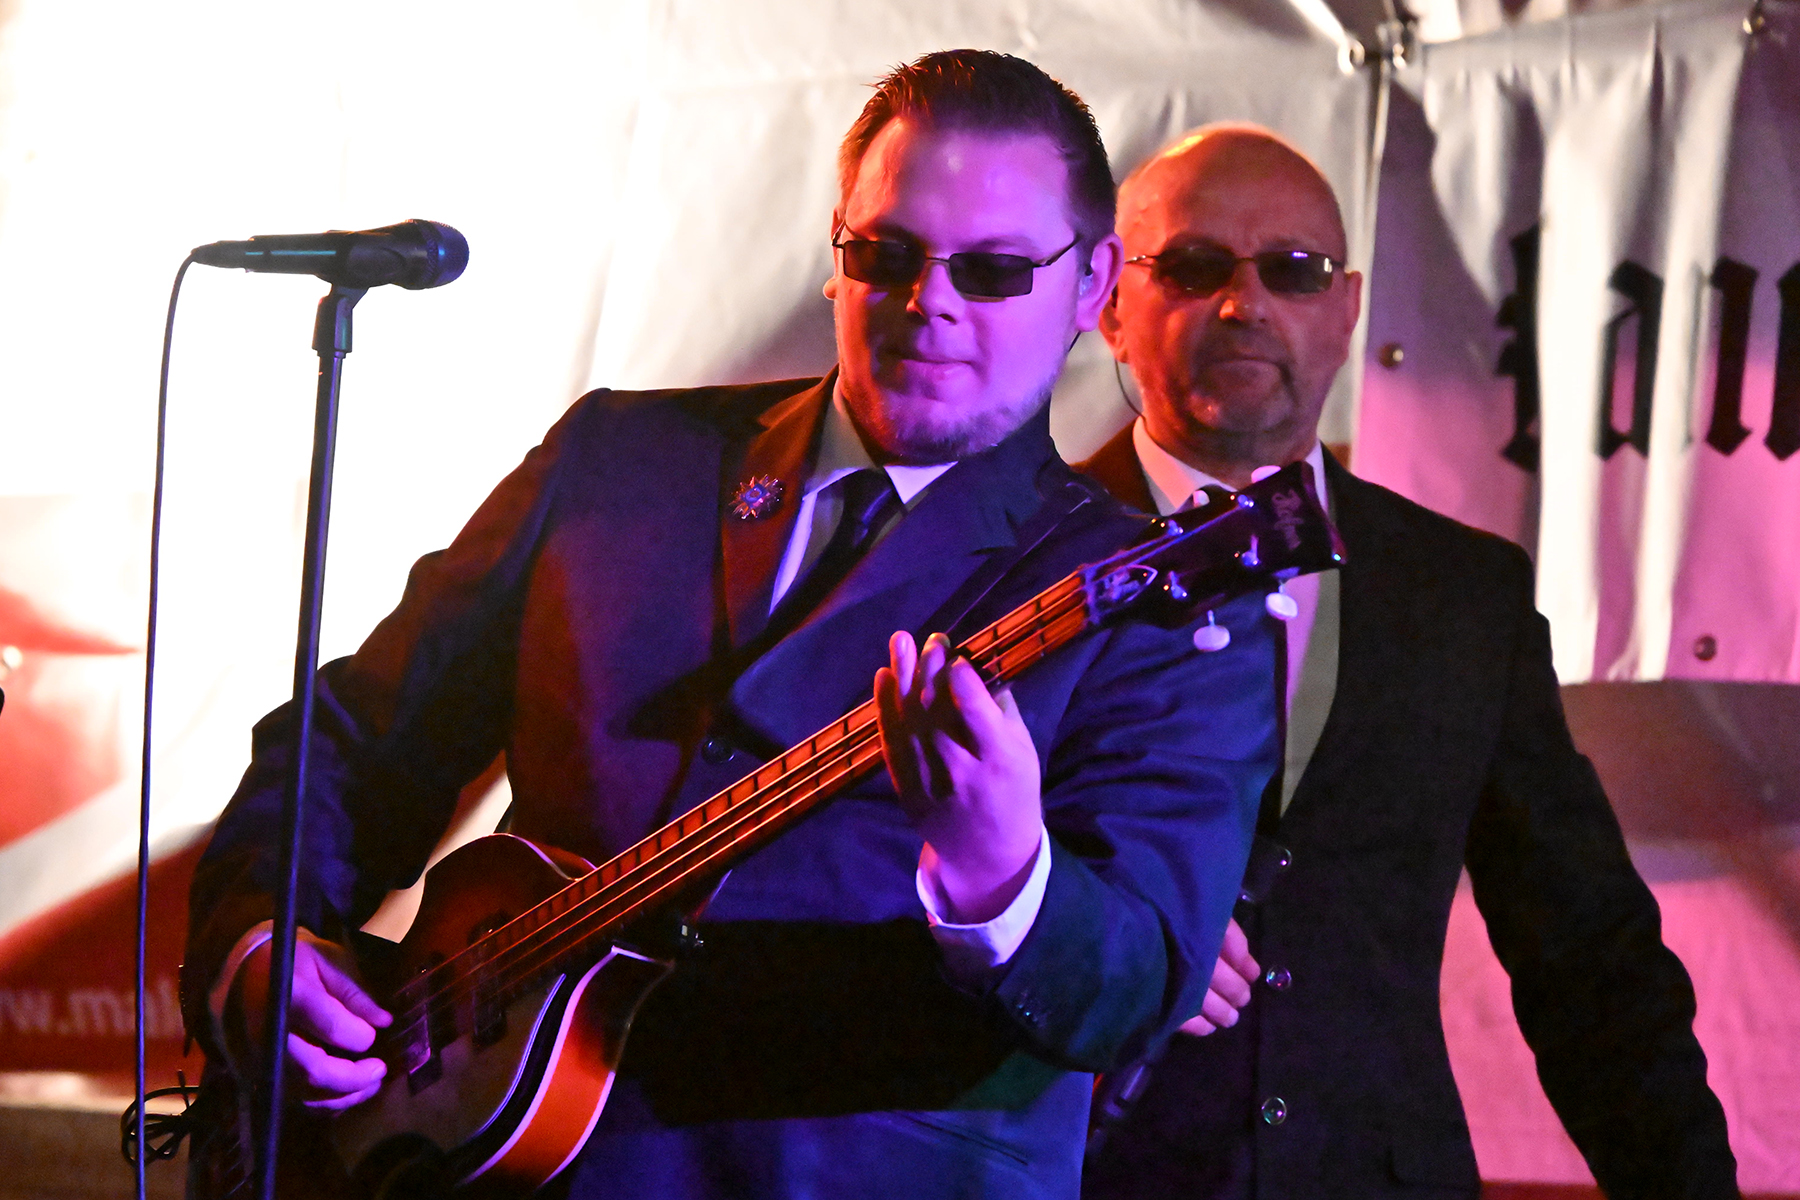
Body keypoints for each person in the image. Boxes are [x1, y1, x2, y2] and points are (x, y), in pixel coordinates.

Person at [181, 54, 1281, 1200]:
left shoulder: (1158, 599)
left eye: (995, 269)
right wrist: (260, 937)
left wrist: (1009, 874)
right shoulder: (619, 458)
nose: (929, 302)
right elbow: (362, 739)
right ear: (834, 253)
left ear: (1094, 283)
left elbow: (1141, 981)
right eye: (885, 255)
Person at [1077, 125, 1740, 1199]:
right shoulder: (1008, 566)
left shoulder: (1461, 593)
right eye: (1193, 267)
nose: (1245, 304)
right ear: (1110, 302)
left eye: (1293, 270)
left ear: (1348, 311)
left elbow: (1589, 955)